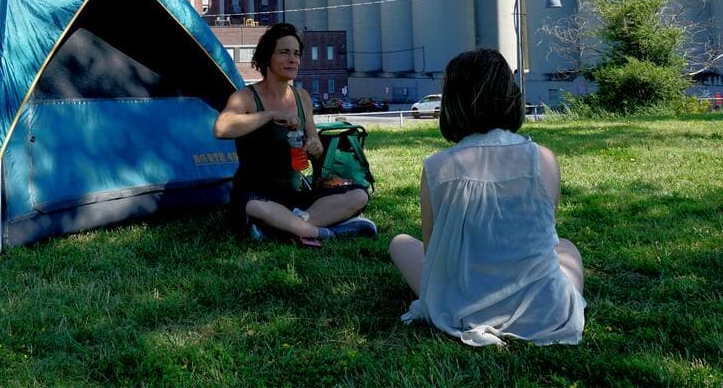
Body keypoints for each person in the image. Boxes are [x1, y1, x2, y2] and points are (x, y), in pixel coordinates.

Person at [388, 48, 585, 346]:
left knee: (400, 243)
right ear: (511, 95)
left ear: (452, 103)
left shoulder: (437, 167)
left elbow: (433, 253)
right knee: (567, 246)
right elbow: (544, 235)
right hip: (543, 311)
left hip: (461, 308)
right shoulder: (543, 159)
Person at [214, 23, 376, 247]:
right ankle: (324, 232)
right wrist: (269, 114)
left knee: (359, 195)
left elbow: (316, 145)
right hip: (256, 194)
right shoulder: (246, 97)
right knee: (254, 206)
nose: (293, 59)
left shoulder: (302, 97)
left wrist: (313, 146)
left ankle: (286, 228)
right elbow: (221, 128)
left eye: (296, 54)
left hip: (295, 197)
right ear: (267, 57)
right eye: (284, 52)